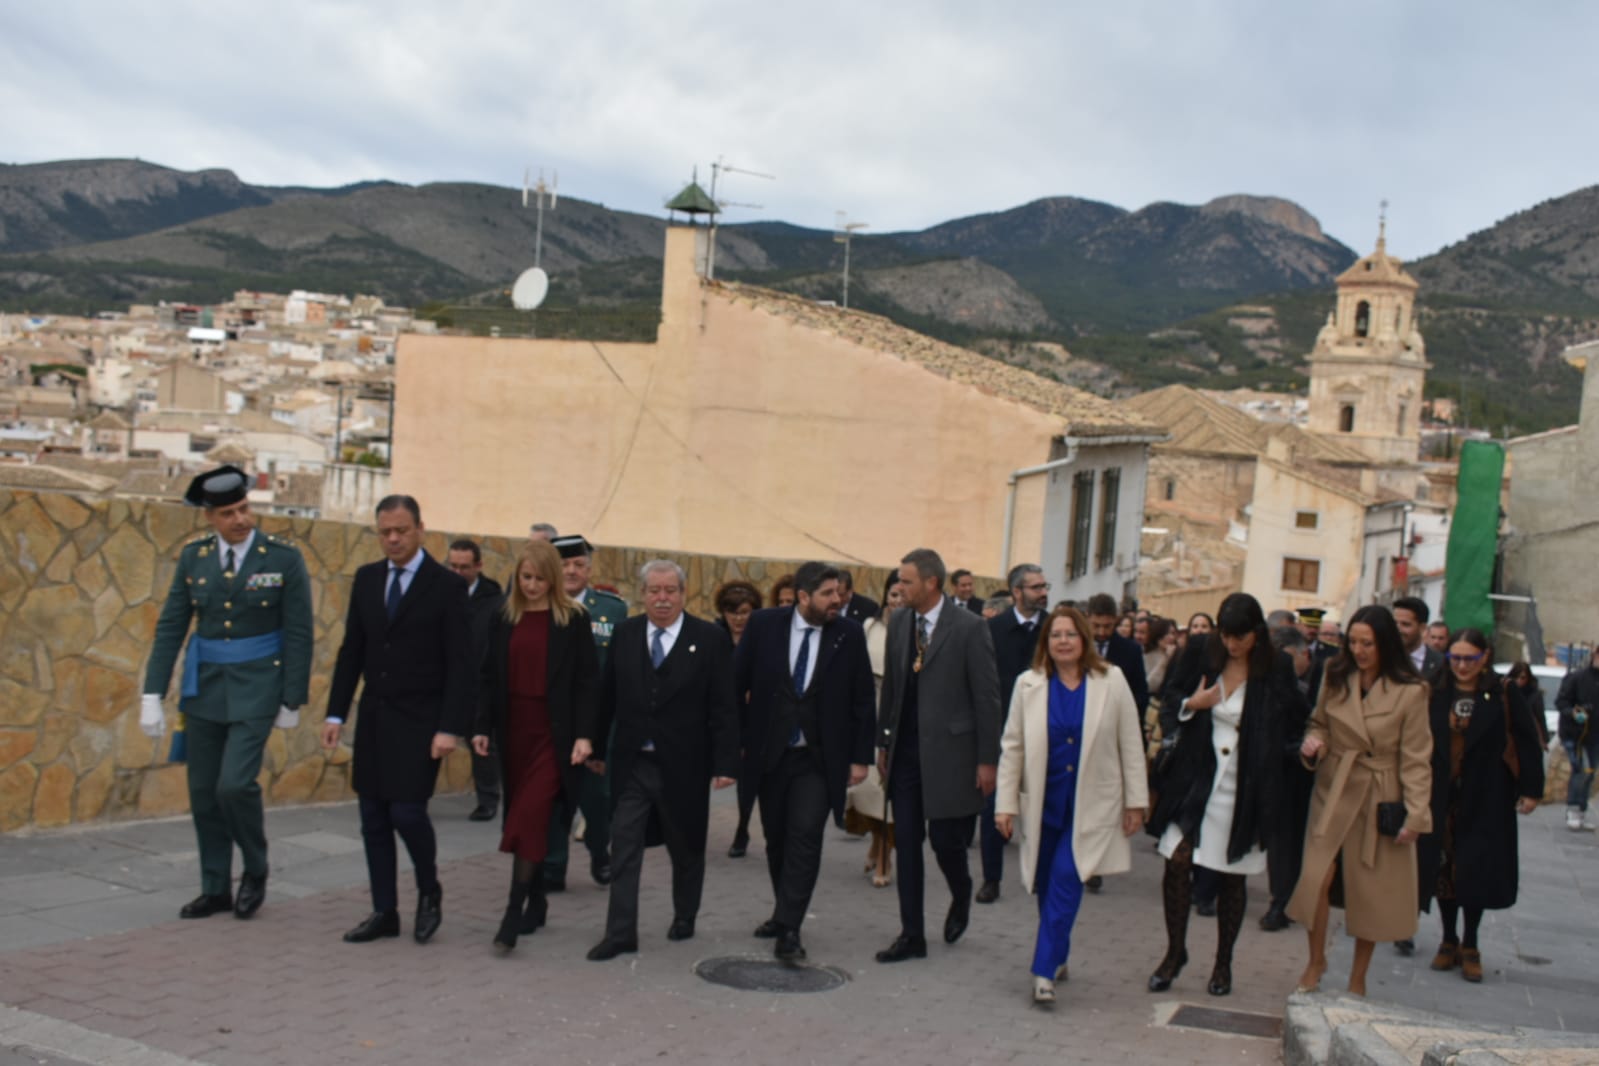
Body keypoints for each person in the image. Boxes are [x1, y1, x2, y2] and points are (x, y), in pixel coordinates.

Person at [141, 465, 313, 921]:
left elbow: (298, 631)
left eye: (244, 509)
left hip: (259, 685)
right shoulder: (194, 558)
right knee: (202, 792)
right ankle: (215, 886)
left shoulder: (282, 558)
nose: (240, 520)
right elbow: (172, 625)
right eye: (228, 513)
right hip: (205, 688)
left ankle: (255, 868)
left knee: (234, 785)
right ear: (209, 518)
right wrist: (151, 693)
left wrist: (292, 698)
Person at [324, 495, 475, 944]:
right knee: (372, 815)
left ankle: (429, 890)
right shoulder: (368, 580)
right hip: (376, 716)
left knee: (407, 812)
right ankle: (384, 910)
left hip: (422, 720)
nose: (392, 539)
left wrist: (450, 727)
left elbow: (461, 663)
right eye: (384, 532)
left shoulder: (446, 586)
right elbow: (353, 649)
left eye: (401, 531)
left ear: (419, 529)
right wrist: (336, 711)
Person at [1146, 593, 1306, 997]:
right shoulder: (1202, 651)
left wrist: (1291, 753)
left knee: (1232, 877)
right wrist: (1191, 705)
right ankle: (1174, 952)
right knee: (1177, 861)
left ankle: (1223, 964)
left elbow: (1294, 721)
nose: (1232, 645)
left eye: (1240, 638)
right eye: (1226, 635)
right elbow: (1170, 699)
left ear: (1257, 634)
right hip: (1198, 779)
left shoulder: (1277, 666)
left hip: (1246, 786)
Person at [995, 606, 1148, 1004]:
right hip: (1043, 804)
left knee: (1067, 876)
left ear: (1085, 640)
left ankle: (1043, 971)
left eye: (1070, 634)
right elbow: (1012, 748)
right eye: (1055, 635)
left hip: (1092, 806)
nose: (1063, 641)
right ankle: (1059, 955)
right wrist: (1004, 804)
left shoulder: (1110, 681)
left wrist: (1136, 801)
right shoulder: (1028, 685)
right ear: (1046, 643)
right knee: (1046, 885)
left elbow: (1131, 742)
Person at [586, 560, 738, 961]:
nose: (662, 598)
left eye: (670, 590)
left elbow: (723, 706)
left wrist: (726, 763)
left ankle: (684, 914)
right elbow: (607, 698)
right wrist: (598, 749)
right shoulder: (625, 634)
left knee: (686, 847)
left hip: (684, 766)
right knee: (624, 845)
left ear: (683, 594)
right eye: (654, 590)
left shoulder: (708, 640)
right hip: (633, 763)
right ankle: (620, 933)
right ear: (642, 594)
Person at [735, 562, 875, 961]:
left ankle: (791, 929)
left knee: (805, 837)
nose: (838, 600)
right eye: (828, 594)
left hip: (819, 759)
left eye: (841, 593)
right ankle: (784, 912)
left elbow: (863, 698)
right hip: (769, 755)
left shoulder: (847, 635)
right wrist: (735, 744)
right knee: (776, 839)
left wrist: (860, 758)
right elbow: (735, 683)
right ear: (802, 597)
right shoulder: (764, 625)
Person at [1288, 605, 1430, 996]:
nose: (1359, 650)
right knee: (1317, 878)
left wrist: (1416, 814)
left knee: (1369, 887)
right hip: (1333, 788)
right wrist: (1312, 745)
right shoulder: (1335, 675)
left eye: (1367, 643)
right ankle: (1315, 961)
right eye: (1353, 641)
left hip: (1379, 792)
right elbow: (1317, 723)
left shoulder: (1412, 691)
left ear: (1385, 643)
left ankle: (1358, 978)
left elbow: (1417, 757)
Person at [874, 548, 1002, 963]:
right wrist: (883, 743)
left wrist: (987, 760)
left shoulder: (968, 628)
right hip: (907, 756)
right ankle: (912, 935)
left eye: (906, 581)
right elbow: (892, 687)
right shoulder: (899, 624)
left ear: (931, 583)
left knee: (947, 843)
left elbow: (987, 698)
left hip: (953, 755)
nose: (900, 588)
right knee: (907, 844)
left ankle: (961, 891)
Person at [472, 540, 600, 953]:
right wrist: (481, 726)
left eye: (539, 578)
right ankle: (538, 900)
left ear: (553, 579)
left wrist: (584, 735)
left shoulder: (573, 619)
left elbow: (586, 682)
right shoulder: (503, 617)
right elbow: (488, 676)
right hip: (515, 732)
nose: (531, 585)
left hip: (554, 735)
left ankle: (512, 914)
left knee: (528, 817)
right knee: (523, 817)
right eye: (525, 577)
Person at [1416, 629, 1543, 982]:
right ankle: (1447, 938)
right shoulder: (1435, 690)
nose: (1460, 665)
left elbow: (1527, 740)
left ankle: (1470, 942)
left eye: (1468, 658)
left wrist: (1531, 790)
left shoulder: (1502, 692)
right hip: (1441, 796)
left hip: (1487, 796)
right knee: (1443, 869)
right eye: (1454, 658)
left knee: (1475, 870)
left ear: (1484, 657)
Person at [542, 534, 627, 890]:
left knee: (598, 801)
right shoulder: (539, 606)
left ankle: (599, 852)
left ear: (589, 569)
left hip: (596, 726)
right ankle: (553, 867)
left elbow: (619, 672)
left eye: (579, 565)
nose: (572, 571)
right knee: (555, 801)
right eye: (564, 565)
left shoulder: (611, 610)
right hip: (553, 725)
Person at [977, 563, 1051, 904]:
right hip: (1001, 731)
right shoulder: (992, 629)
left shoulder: (1054, 631)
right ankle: (991, 879)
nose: (1043, 592)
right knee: (994, 805)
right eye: (1036, 587)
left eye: (1044, 586)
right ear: (1017, 592)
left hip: (1046, 732)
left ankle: (1040, 873)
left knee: (1042, 805)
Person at [847, 574, 904, 887]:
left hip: (899, 719)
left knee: (889, 793)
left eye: (902, 595)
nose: (896, 601)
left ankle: (884, 853)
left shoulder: (918, 631)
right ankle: (876, 841)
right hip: (868, 716)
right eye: (892, 594)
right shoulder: (869, 628)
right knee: (865, 789)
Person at [1259, 623, 1315, 933]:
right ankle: (1281, 899)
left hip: (1303, 771)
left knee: (1292, 840)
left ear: (1302, 654)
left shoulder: (1318, 680)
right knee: (1280, 839)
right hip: (1276, 768)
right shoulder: (1269, 682)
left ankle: (1288, 899)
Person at [447, 538, 504, 822]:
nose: (457, 573)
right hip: (444, 680)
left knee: (481, 743)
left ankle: (488, 799)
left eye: (464, 567)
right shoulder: (438, 592)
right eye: (453, 566)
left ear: (478, 566)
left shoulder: (494, 601)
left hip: (478, 683)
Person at [716, 579, 765, 859]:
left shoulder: (761, 638)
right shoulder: (716, 636)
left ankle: (743, 828)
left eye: (744, 611)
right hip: (722, 715)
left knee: (748, 778)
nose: (738, 618)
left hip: (750, 718)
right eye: (732, 611)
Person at [1556, 648, 1599, 831]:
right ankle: (1573, 809)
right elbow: (1561, 702)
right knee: (1579, 770)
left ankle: (1580, 811)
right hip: (1575, 734)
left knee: (1590, 773)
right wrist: (1574, 713)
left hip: (1595, 735)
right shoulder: (1577, 678)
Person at [1393, 596, 1444, 679]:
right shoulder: (1382, 658)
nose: (1398, 629)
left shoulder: (1440, 663)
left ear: (1422, 628)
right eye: (1394, 623)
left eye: (1405, 624)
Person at [1506, 662, 1547, 749]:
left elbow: (1539, 717)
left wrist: (1543, 739)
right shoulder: (1505, 692)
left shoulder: (1534, 695)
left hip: (1528, 737)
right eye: (1515, 677)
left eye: (1522, 678)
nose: (1518, 681)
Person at [714, 580, 762, 646]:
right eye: (733, 612)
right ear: (723, 613)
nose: (739, 618)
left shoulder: (763, 635)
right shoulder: (714, 636)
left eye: (744, 612)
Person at [1143, 616, 1176, 696]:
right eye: (1167, 633)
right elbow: (1150, 686)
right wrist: (1165, 659)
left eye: (1173, 633)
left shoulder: (1178, 655)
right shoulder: (1147, 656)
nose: (1171, 637)